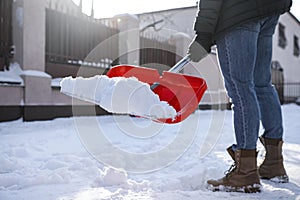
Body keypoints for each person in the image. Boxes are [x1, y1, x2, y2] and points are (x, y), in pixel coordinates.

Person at [188, 0, 293, 193]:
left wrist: (203, 35)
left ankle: (245, 172)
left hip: (237, 14)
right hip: (269, 10)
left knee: (241, 88)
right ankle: (274, 163)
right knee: (261, 84)